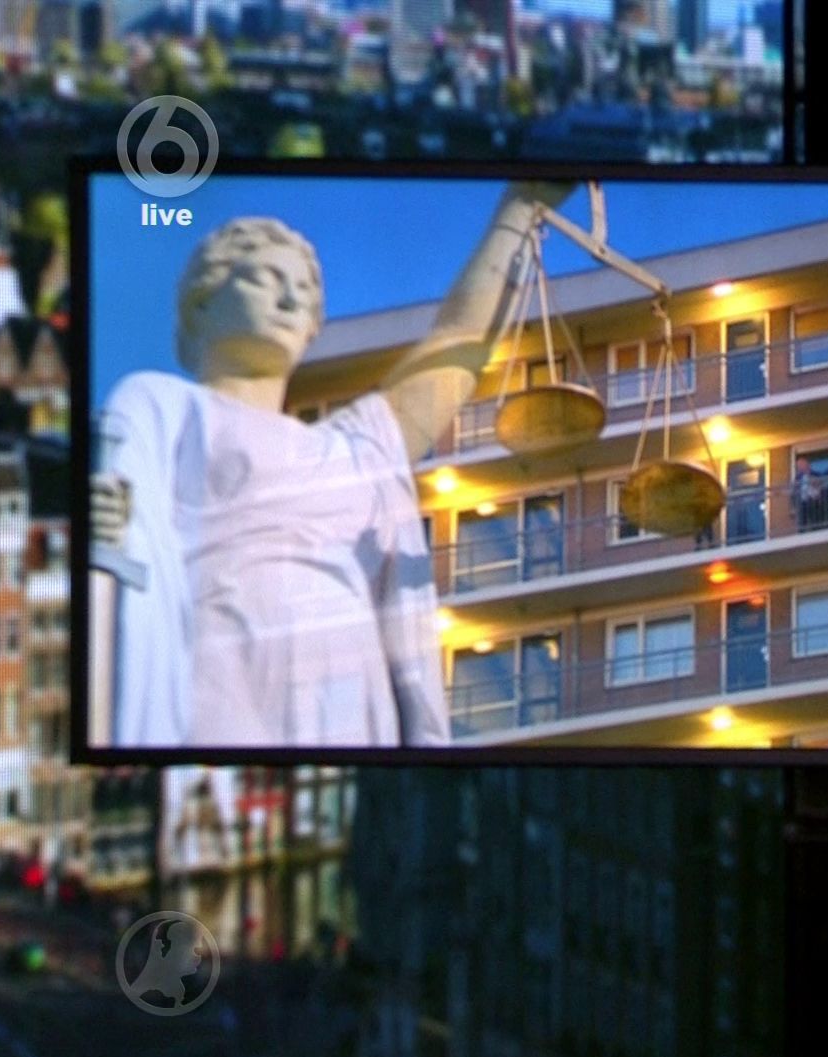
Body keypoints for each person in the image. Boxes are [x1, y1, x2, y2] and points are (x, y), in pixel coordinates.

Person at [92, 181, 573, 747]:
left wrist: (520, 207)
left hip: (348, 698)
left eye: (303, 293)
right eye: (266, 279)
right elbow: (122, 542)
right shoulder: (163, 405)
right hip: (225, 671)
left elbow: (458, 342)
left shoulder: (354, 451)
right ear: (202, 301)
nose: (290, 303)